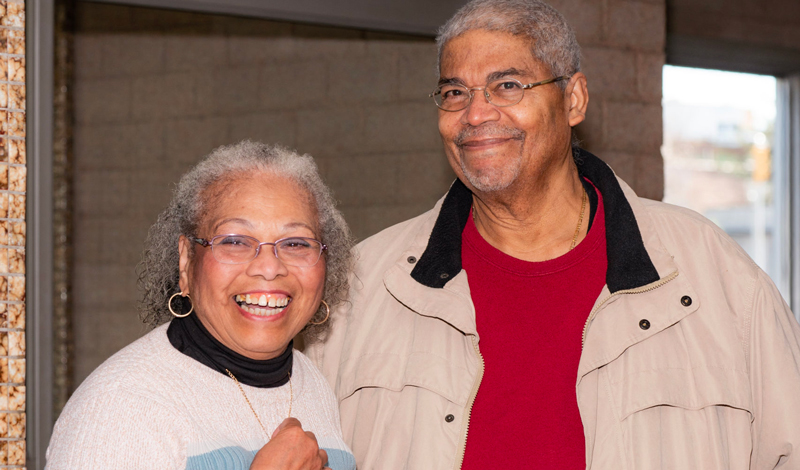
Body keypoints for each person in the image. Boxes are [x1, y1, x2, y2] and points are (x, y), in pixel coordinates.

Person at [308, 0, 800, 469]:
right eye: (455, 92)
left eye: (507, 86)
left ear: (574, 99)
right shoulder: (362, 288)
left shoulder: (714, 276)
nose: (475, 115)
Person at [47, 141, 357, 470]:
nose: (269, 267)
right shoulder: (119, 408)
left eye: (296, 243)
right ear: (186, 262)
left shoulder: (313, 385)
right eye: (235, 241)